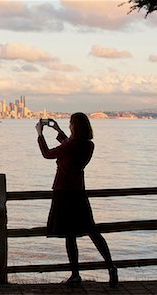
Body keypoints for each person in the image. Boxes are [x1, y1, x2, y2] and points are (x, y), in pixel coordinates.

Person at [35, 113, 118, 287]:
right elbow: (69, 147)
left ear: (75, 126)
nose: (69, 126)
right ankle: (111, 267)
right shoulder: (87, 145)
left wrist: (40, 134)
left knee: (69, 234)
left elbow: (47, 154)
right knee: (92, 231)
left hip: (64, 192)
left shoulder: (71, 145)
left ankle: (75, 274)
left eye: (70, 124)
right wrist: (58, 131)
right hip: (79, 192)